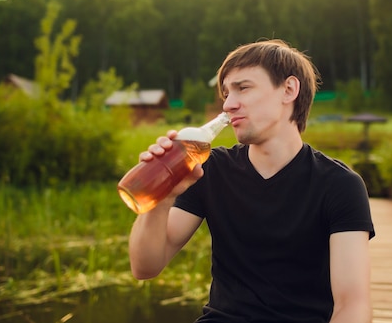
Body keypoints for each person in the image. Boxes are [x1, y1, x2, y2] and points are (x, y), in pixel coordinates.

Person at [128, 39, 375, 323]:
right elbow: (144, 267)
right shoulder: (208, 169)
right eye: (225, 93)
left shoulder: (339, 185)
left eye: (243, 88)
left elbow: (353, 306)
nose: (228, 105)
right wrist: (162, 199)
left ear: (289, 90)